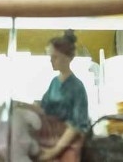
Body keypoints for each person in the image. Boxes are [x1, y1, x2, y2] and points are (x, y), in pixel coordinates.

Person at [20, 31, 90, 162]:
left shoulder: (77, 87)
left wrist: (54, 151)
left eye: (55, 57)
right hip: (49, 136)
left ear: (67, 58)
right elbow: (43, 107)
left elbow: (75, 126)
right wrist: (22, 106)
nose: (51, 61)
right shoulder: (54, 82)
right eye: (50, 57)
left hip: (68, 141)